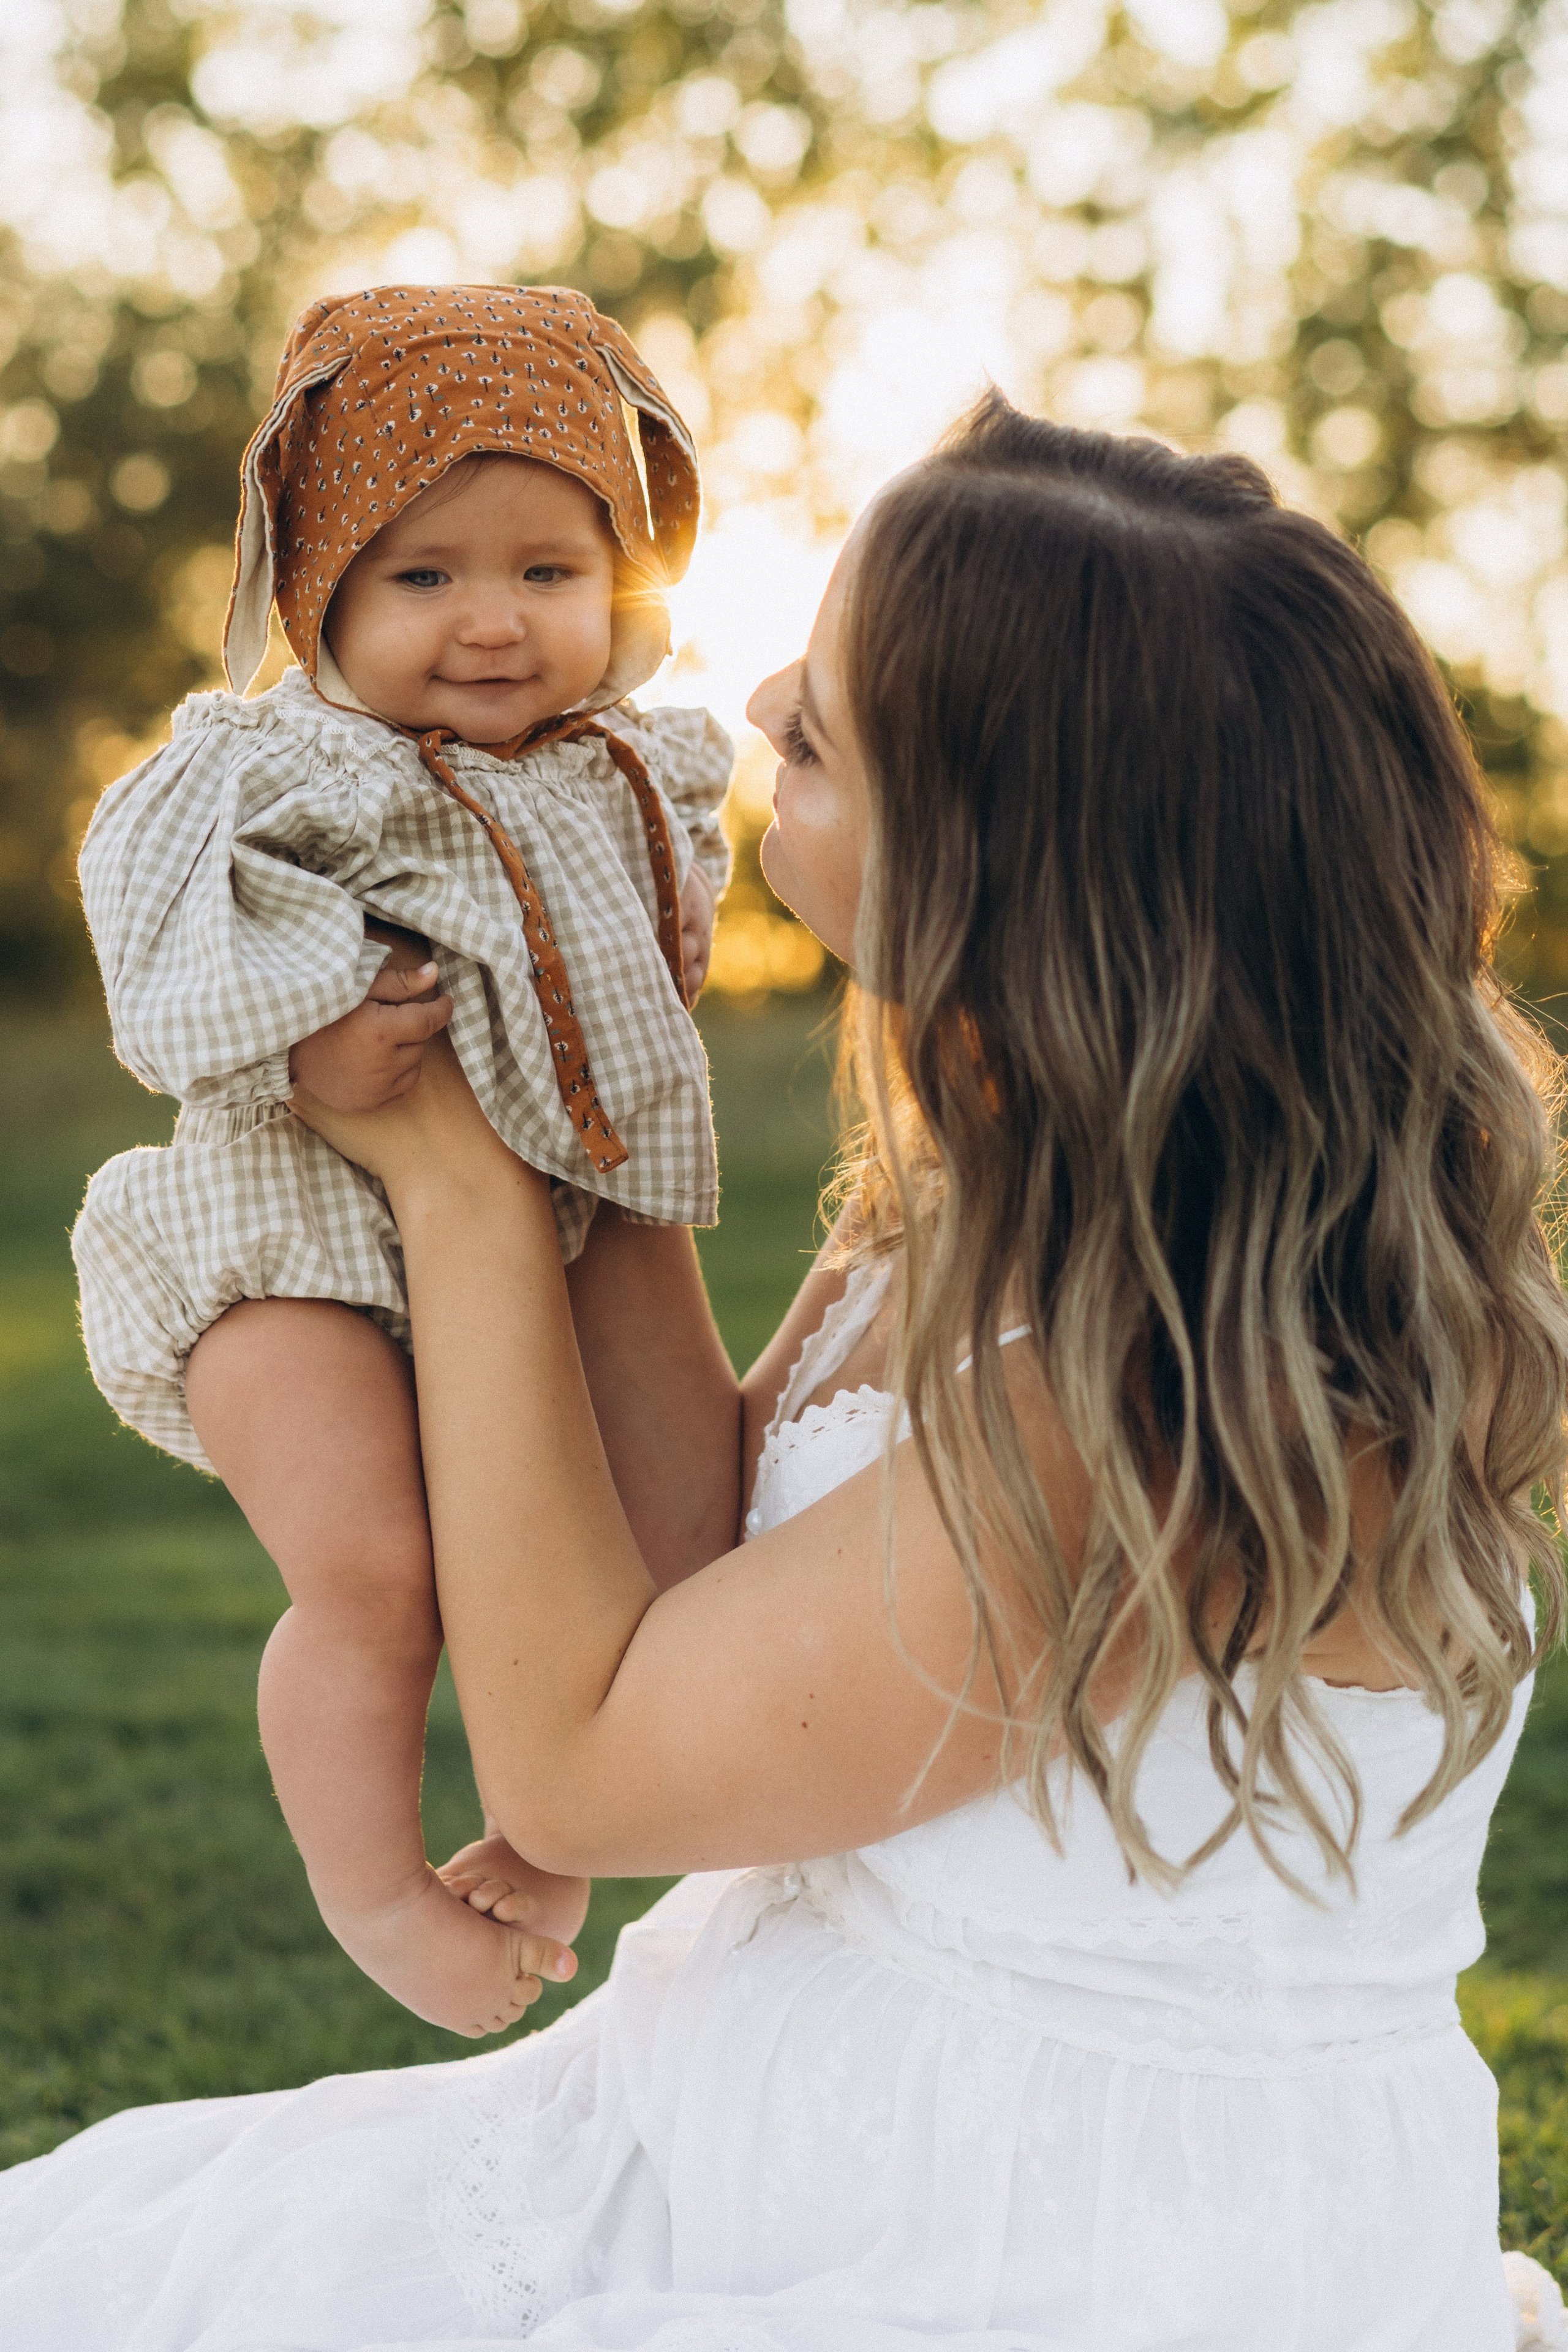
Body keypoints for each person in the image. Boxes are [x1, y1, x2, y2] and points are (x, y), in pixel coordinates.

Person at [4, 391, 1566, 2349]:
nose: (743, 701)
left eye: (819, 731)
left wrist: (459, 1181)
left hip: (1045, 2241)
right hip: (761, 2119)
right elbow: (677, 1579)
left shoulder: (1160, 1396)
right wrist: (574, 1048)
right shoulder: (989, 1173)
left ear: (1004, 869)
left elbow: (571, 1765)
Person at [68, 283, 738, 2040]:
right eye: (422, 576)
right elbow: (151, 949)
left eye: (546, 571)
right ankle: (369, 1887)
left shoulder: (633, 774)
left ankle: (549, 1828)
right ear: (318, 597)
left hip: (540, 1241)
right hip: (286, 1235)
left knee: (652, 1551)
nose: (494, 622)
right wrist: (301, 1033)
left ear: (624, 580)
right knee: (378, 1570)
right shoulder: (277, 766)